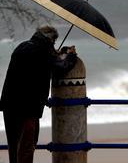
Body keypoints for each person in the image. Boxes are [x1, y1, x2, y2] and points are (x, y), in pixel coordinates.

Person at [0, 26, 77, 163]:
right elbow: (61, 68)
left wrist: (57, 53)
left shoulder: (23, 46)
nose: (53, 45)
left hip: (9, 105)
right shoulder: (42, 51)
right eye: (53, 42)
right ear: (50, 39)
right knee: (26, 147)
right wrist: (71, 55)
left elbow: (44, 62)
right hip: (27, 108)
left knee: (14, 147)